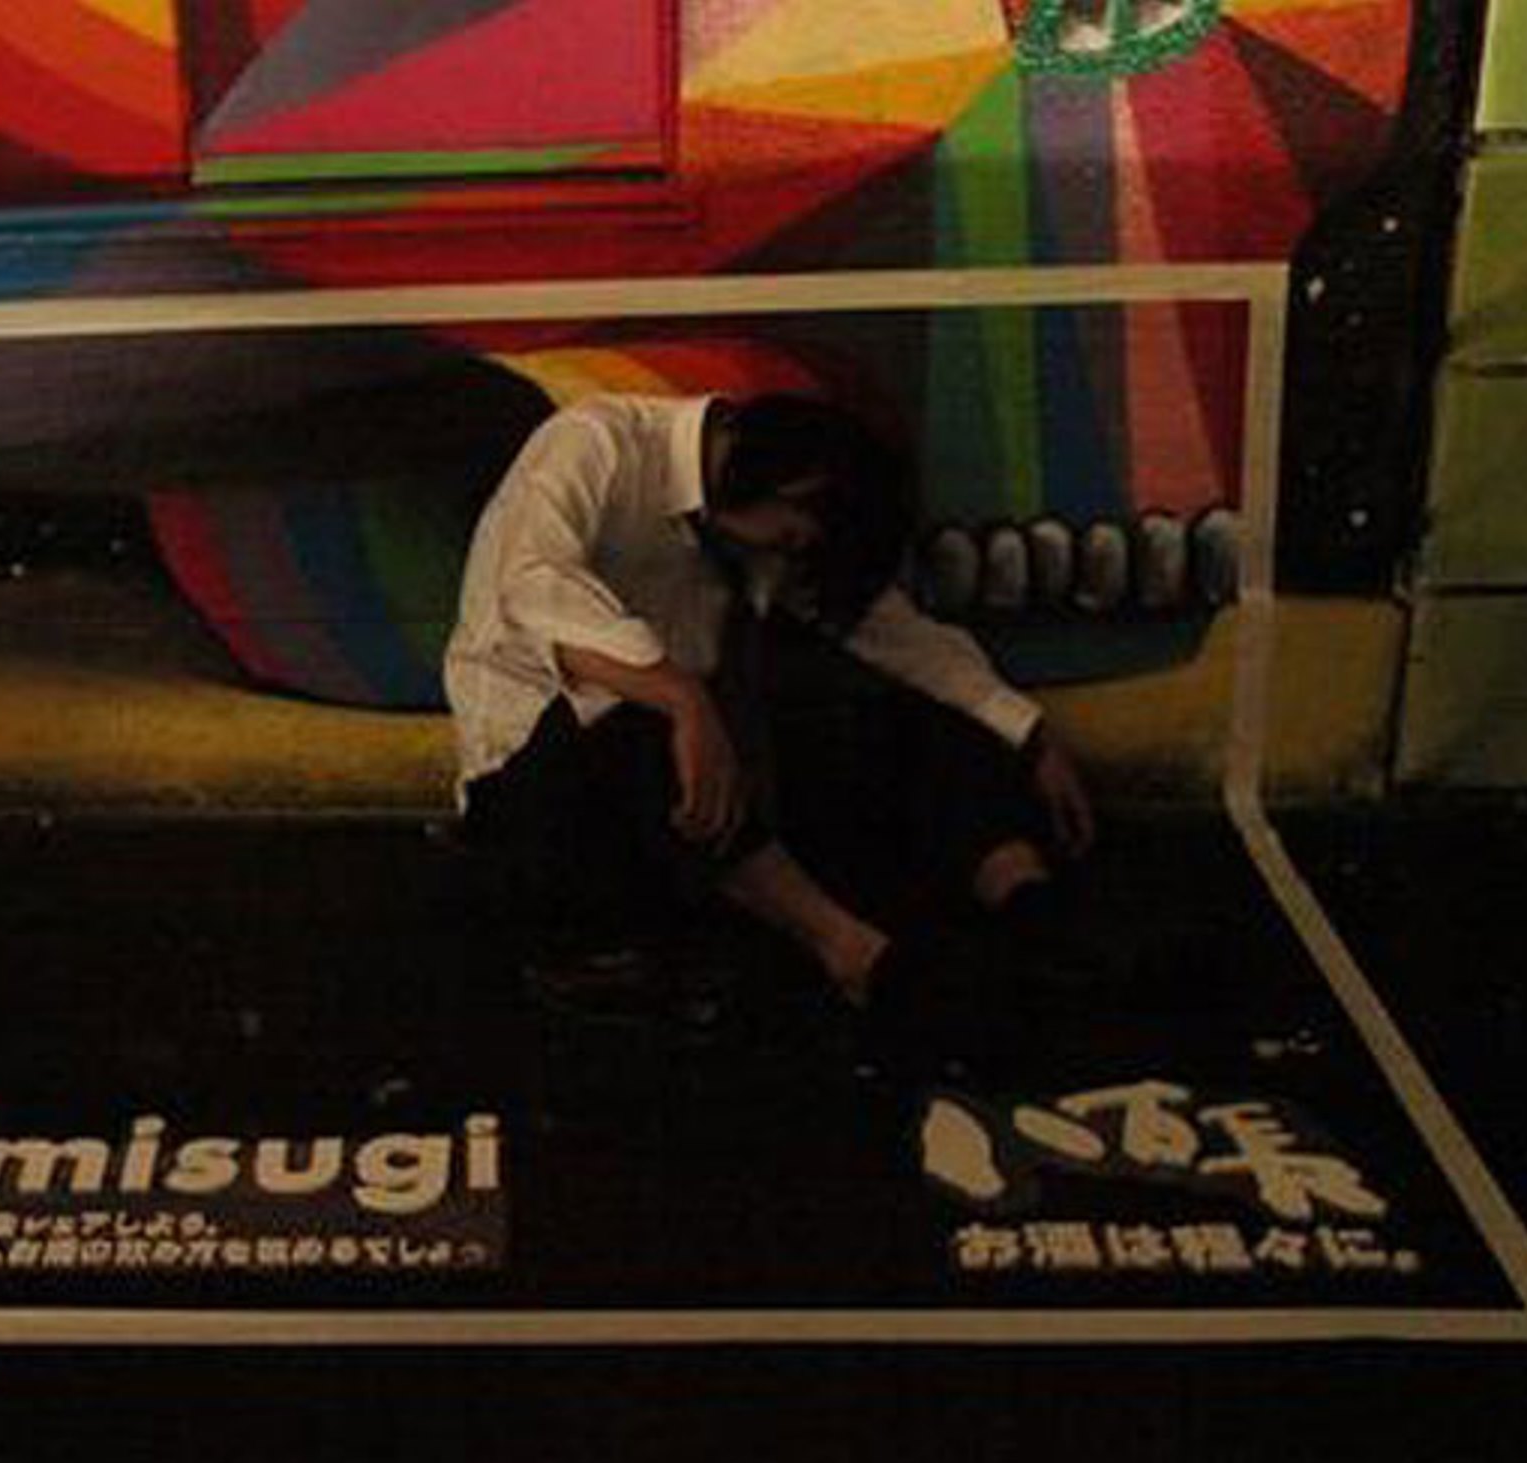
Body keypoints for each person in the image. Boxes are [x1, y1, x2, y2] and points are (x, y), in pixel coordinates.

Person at [445, 391, 1098, 1038]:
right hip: (539, 790)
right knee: (639, 728)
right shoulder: (598, 442)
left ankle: (1029, 906)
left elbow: (891, 633)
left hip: (685, 779)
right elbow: (533, 585)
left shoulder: (754, 539)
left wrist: (1029, 734)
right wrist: (681, 697)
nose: (793, 552)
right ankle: (855, 955)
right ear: (796, 483)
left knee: (907, 710)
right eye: (798, 532)